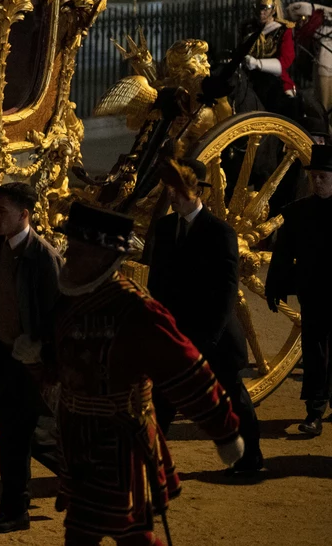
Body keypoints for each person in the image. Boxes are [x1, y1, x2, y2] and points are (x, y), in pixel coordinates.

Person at [50, 201, 243, 546]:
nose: (69, 259)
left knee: (122, 532)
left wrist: (223, 429)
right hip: (78, 441)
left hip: (119, 443)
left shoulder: (137, 311)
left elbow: (187, 370)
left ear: (103, 256)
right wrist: (33, 357)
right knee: (94, 528)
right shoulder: (69, 299)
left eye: (78, 252)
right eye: (70, 250)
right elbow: (60, 362)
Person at [147, 158, 263, 475]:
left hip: (215, 339)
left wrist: (207, 340)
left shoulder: (220, 232)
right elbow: (156, 282)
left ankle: (251, 459)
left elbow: (226, 292)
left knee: (230, 397)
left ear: (198, 191)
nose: (173, 196)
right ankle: (146, 465)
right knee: (161, 401)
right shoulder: (165, 228)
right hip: (176, 335)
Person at [0, 182, 61, 534]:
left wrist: (42, 359)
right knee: (24, 435)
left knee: (19, 436)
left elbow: (57, 316)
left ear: (24, 215)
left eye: (2, 212)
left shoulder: (43, 258)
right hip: (4, 358)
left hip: (31, 363)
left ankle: (15, 510)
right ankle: (88, 481)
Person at [266, 143, 332, 436]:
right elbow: (282, 254)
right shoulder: (297, 213)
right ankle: (315, 412)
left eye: (323, 176)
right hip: (314, 291)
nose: (317, 181)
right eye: (314, 176)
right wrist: (274, 286)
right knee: (315, 352)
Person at [242, 0, 297, 120]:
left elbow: (285, 62)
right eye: (259, 8)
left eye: (265, 9)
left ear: (273, 9)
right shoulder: (248, 28)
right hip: (250, 78)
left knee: (288, 107)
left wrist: (257, 63)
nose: (262, 12)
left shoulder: (283, 30)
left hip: (275, 78)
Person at [288, 1, 332, 119]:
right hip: (323, 64)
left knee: (324, 108)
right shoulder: (322, 14)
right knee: (322, 108)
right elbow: (293, 9)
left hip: (325, 65)